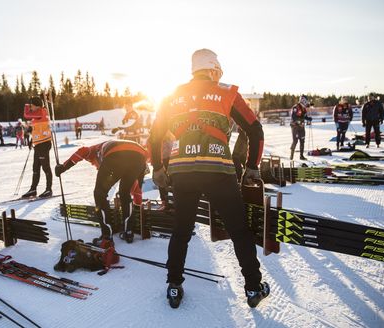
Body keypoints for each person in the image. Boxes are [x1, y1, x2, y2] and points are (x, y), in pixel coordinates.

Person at [149, 48, 268, 309]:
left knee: (181, 232)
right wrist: (251, 167)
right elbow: (255, 130)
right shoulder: (227, 92)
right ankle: (252, 287)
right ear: (214, 70)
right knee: (238, 230)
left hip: (182, 172)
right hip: (218, 170)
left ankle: (174, 285)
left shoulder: (172, 95)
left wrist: (158, 167)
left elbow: (155, 135)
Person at [55, 139, 147, 243]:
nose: (96, 167)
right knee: (125, 192)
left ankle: (107, 236)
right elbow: (136, 189)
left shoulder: (94, 150)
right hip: (139, 156)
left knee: (99, 193)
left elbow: (81, 151)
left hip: (116, 154)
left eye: (95, 165)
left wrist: (63, 167)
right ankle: (128, 232)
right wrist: (138, 204)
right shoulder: (112, 148)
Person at [22, 97, 53, 199]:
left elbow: (26, 114)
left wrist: (26, 105)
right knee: (35, 167)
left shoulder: (41, 111)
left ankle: (49, 189)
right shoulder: (36, 116)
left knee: (45, 167)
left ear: (37, 105)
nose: (30, 107)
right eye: (30, 105)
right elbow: (36, 129)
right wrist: (31, 140)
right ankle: (33, 189)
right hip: (38, 144)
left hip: (44, 143)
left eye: (31, 105)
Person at [289, 95, 313, 160]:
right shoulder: (296, 107)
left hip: (301, 126)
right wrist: (299, 121)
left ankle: (301, 156)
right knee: (295, 141)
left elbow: (304, 116)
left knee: (302, 140)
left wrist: (308, 118)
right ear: (302, 100)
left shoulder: (304, 109)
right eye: (305, 101)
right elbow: (294, 117)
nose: (306, 103)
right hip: (295, 126)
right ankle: (291, 155)